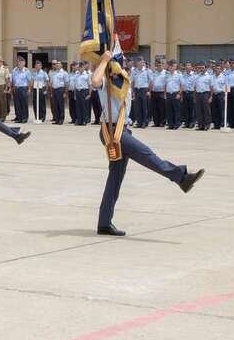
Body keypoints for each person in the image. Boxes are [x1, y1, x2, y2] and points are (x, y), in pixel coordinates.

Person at [91, 50, 205, 237]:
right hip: (113, 132)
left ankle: (104, 223)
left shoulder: (123, 83)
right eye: (121, 63)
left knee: (115, 179)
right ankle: (180, 177)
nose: (125, 66)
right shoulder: (106, 82)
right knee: (146, 154)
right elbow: (94, 81)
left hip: (122, 130)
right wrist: (103, 61)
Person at [11, 57, 30, 123]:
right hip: (16, 88)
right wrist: (13, 88)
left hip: (23, 88)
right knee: (17, 104)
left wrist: (29, 89)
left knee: (24, 104)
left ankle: (24, 118)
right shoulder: (14, 70)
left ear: (24, 63)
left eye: (21, 62)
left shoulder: (26, 71)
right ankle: (19, 118)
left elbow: (29, 81)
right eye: (19, 62)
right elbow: (13, 80)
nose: (20, 63)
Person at [49, 60, 68, 125]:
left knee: (60, 105)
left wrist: (65, 92)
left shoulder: (64, 73)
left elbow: (66, 83)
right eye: (56, 64)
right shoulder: (53, 73)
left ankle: (61, 119)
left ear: (61, 65)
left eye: (58, 64)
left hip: (60, 90)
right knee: (55, 105)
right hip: (54, 90)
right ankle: (57, 119)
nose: (57, 65)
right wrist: (51, 92)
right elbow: (51, 83)